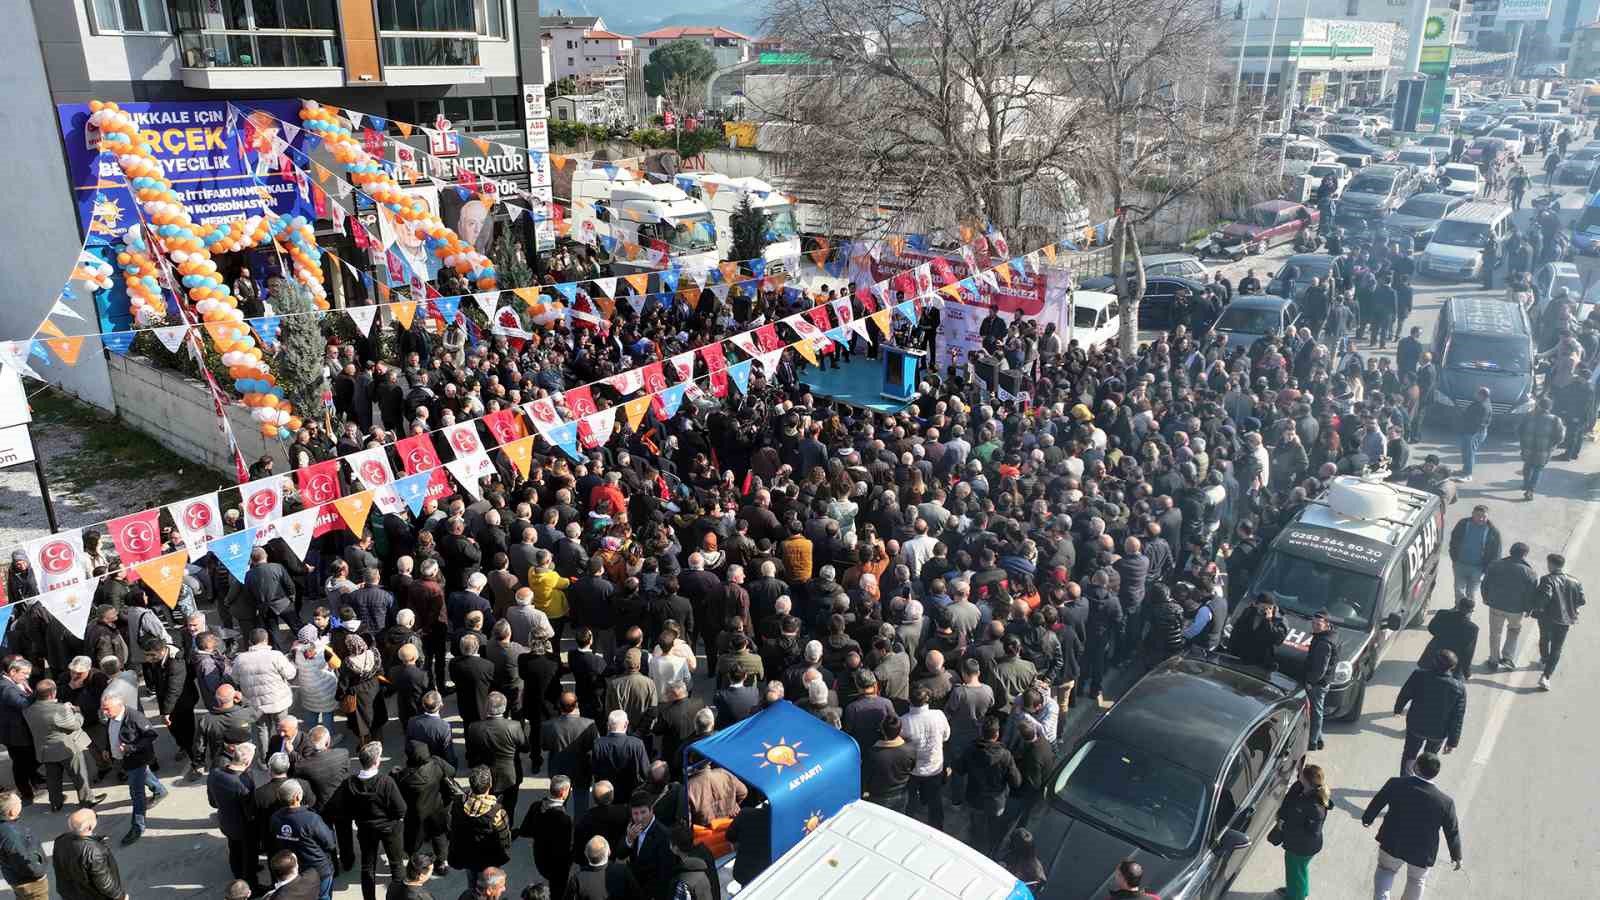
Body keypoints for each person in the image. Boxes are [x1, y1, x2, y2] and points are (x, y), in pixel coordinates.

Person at [1362, 752, 1462, 900]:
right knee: (1416, 881)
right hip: (1422, 852)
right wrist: (1456, 855)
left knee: (1386, 870)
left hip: (1393, 842)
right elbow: (1451, 830)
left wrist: (1368, 818)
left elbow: (1378, 801)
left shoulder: (1396, 784)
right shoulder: (1445, 802)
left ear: (1416, 767)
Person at [21, 679, 104, 811]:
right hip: (66, 749)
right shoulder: (59, 710)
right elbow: (75, 725)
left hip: (44, 750)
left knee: (52, 777)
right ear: (52, 694)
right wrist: (76, 712)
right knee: (79, 775)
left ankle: (55, 803)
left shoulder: (28, 710)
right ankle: (87, 800)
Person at [100, 694, 169, 846]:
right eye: (103, 709)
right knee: (144, 775)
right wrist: (107, 748)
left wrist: (131, 747)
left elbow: (151, 735)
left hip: (137, 759)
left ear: (119, 706)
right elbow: (110, 732)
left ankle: (138, 826)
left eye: (107, 709)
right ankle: (160, 790)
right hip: (124, 760)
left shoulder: (134, 717)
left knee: (136, 794)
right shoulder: (111, 716)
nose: (104, 713)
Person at [344, 741, 409, 900]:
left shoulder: (350, 783)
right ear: (376, 761)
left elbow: (348, 808)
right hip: (389, 829)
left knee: (367, 866)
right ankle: (398, 896)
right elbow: (401, 809)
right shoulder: (386, 782)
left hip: (366, 830)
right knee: (396, 864)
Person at [1393, 649, 1466, 776]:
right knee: (1429, 760)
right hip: (1438, 732)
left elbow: (1405, 693)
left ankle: (1404, 781)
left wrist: (1398, 709)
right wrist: (1452, 742)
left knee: (1409, 754)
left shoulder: (1419, 675)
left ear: (1434, 661)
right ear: (1453, 667)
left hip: (1416, 726)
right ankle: (1420, 782)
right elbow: (1457, 717)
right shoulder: (1458, 688)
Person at [269, 780, 339, 900]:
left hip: (292, 870)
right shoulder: (311, 819)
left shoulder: (275, 817)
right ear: (297, 796)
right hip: (318, 870)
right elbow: (330, 843)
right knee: (324, 896)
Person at [208, 742, 262, 892]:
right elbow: (250, 812)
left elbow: (212, 801)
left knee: (234, 848)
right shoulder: (244, 783)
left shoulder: (215, 773)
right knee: (249, 856)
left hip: (226, 822)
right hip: (244, 828)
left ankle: (237, 874)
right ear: (247, 761)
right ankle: (252, 886)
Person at [447, 767, 512, 887]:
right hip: (489, 860)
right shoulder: (497, 812)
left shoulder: (457, 803)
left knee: (472, 882)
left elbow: (451, 827)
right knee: (489, 886)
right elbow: (504, 839)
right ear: (490, 785)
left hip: (467, 855)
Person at [1480, 542, 1539, 671]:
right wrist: (1529, 608)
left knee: (1495, 633)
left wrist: (1485, 598)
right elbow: (1531, 593)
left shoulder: (1495, 565)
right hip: (1516, 609)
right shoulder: (1530, 572)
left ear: (1511, 551)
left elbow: (1485, 583)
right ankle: (1508, 658)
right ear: (1525, 555)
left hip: (1496, 605)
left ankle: (1493, 660)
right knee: (1513, 631)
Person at [1530, 552, 1585, 691]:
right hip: (1565, 620)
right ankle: (1546, 677)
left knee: (1544, 638)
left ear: (1552, 565)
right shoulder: (1575, 581)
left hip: (1547, 618)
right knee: (1557, 648)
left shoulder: (1547, 579)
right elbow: (1582, 600)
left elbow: (1545, 597)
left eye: (1548, 563)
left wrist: (1536, 608)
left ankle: (1543, 660)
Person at [1274, 762, 1330, 900]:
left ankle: (1295, 896)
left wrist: (1285, 826)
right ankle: (1299, 891)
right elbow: (1289, 801)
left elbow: (1312, 832)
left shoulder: (1315, 807)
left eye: (1302, 775)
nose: (1299, 775)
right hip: (1298, 844)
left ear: (1307, 781)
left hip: (1302, 847)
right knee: (1299, 871)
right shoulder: (1300, 788)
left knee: (1295, 871)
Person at [52, 809, 125, 900]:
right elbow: (105, 884)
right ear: (89, 827)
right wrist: (120, 896)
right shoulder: (94, 851)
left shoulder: (60, 840)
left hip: (70, 894)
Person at [0, 659, 39, 808]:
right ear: (12, 672)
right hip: (15, 734)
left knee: (28, 760)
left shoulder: (13, 682)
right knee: (21, 764)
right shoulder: (6, 688)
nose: (27, 677)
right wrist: (40, 692)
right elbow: (23, 704)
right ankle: (26, 793)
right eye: (25, 674)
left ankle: (33, 780)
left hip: (20, 731)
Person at [0, 791, 49, 900]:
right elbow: (24, 863)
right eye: (19, 802)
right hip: (30, 883)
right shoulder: (12, 835)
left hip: (14, 877)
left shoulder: (6, 827)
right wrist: (40, 872)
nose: (21, 802)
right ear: (12, 812)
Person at [1447, 505, 1500, 604]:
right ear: (1472, 515)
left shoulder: (1493, 532)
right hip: (1460, 564)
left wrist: (1488, 569)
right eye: (1478, 515)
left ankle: (1467, 614)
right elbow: (1453, 540)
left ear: (1488, 517)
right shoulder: (1463, 524)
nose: (1481, 519)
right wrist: (1454, 558)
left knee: (1471, 593)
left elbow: (1496, 553)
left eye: (1484, 516)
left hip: (1478, 568)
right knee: (1459, 590)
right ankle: (1458, 611)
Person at [1516, 396, 1566, 500]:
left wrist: (1523, 442)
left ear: (1538, 405)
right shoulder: (1555, 419)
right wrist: (1553, 445)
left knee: (1527, 466)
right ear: (1550, 407)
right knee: (1538, 469)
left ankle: (1526, 484)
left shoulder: (1528, 416)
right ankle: (1530, 490)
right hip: (1544, 450)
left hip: (1527, 448)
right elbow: (1560, 436)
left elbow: (1519, 430)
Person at [1300, 611, 1337, 751]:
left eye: (1318, 624)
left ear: (1326, 624)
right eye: (1313, 623)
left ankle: (1313, 742)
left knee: (1315, 713)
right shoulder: (1326, 636)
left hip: (1318, 684)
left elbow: (1320, 669)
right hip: (1321, 682)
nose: (1314, 626)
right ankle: (1319, 739)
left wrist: (1310, 681)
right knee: (1317, 711)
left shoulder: (1324, 643)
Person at [566, 836, 641, 900]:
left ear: (586, 854)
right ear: (609, 852)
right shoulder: (623, 871)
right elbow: (638, 895)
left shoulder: (578, 879)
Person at [1422, 596, 1478, 679]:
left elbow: (1431, 628)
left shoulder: (1442, 614)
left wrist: (1441, 636)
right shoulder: (1472, 628)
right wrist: (1467, 673)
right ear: (1470, 611)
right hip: (1453, 665)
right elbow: (1468, 653)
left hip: (1432, 656)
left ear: (1458, 606)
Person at [1228, 593, 1288, 669]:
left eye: (1269, 608)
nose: (1266, 611)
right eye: (1263, 608)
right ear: (1256, 605)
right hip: (1241, 658)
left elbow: (1277, 640)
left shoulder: (1279, 620)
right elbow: (1236, 632)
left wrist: (1268, 621)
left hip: (1262, 663)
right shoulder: (1249, 612)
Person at [1456, 387, 1492, 481]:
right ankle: (1465, 470)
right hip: (1469, 432)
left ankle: (1468, 475)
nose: (1475, 394)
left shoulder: (1483, 407)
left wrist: (1467, 428)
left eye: (1477, 393)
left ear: (1482, 395)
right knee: (1466, 452)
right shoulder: (1479, 403)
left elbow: (1478, 423)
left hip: (1474, 433)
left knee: (1469, 454)